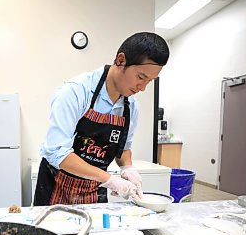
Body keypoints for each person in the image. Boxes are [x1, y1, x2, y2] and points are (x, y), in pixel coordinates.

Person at [34, 32, 169, 206]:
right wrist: (110, 180)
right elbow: (57, 153)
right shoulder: (76, 92)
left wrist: (127, 167)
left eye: (149, 81)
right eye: (141, 77)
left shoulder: (131, 107)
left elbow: (123, 148)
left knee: (96, 233)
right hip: (56, 188)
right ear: (121, 60)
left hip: (94, 191)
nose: (142, 88)